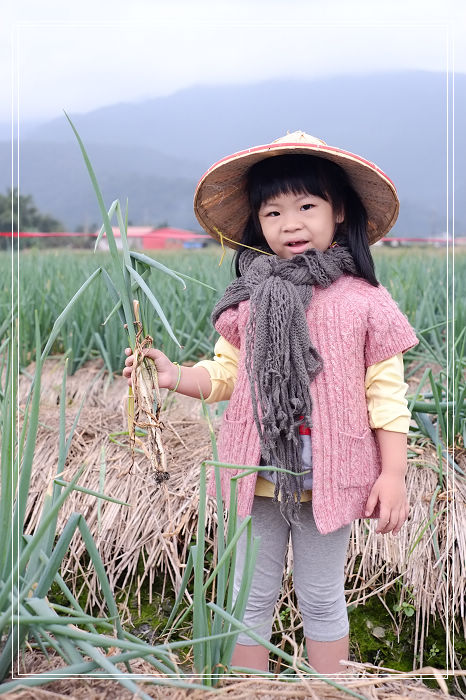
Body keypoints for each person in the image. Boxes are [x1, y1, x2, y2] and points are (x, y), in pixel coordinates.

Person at [123, 131, 418, 675]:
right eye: (273, 211)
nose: (291, 223)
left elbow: (387, 398)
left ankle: (331, 688)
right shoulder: (249, 300)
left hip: (330, 477)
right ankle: (249, 689)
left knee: (323, 599)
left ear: (339, 212)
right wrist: (173, 375)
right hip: (256, 476)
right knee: (250, 599)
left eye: (307, 205)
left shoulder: (366, 303)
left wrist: (393, 473)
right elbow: (225, 376)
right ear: (258, 225)